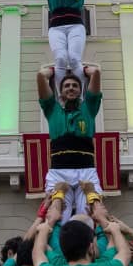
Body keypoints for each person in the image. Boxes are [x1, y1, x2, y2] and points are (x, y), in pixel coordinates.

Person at [37, 65, 103, 221]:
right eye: (66, 86)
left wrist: (84, 69)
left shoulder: (89, 108)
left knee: (87, 216)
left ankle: (88, 244)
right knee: (57, 217)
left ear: (81, 91)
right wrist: (54, 70)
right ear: (61, 92)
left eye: (75, 85)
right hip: (59, 172)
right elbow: (40, 76)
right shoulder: (52, 109)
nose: (71, 88)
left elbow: (96, 73)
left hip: (86, 171)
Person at [42, 0, 90, 90]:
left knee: (75, 59)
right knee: (61, 59)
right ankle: (62, 98)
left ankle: (80, 98)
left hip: (76, 26)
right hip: (56, 28)